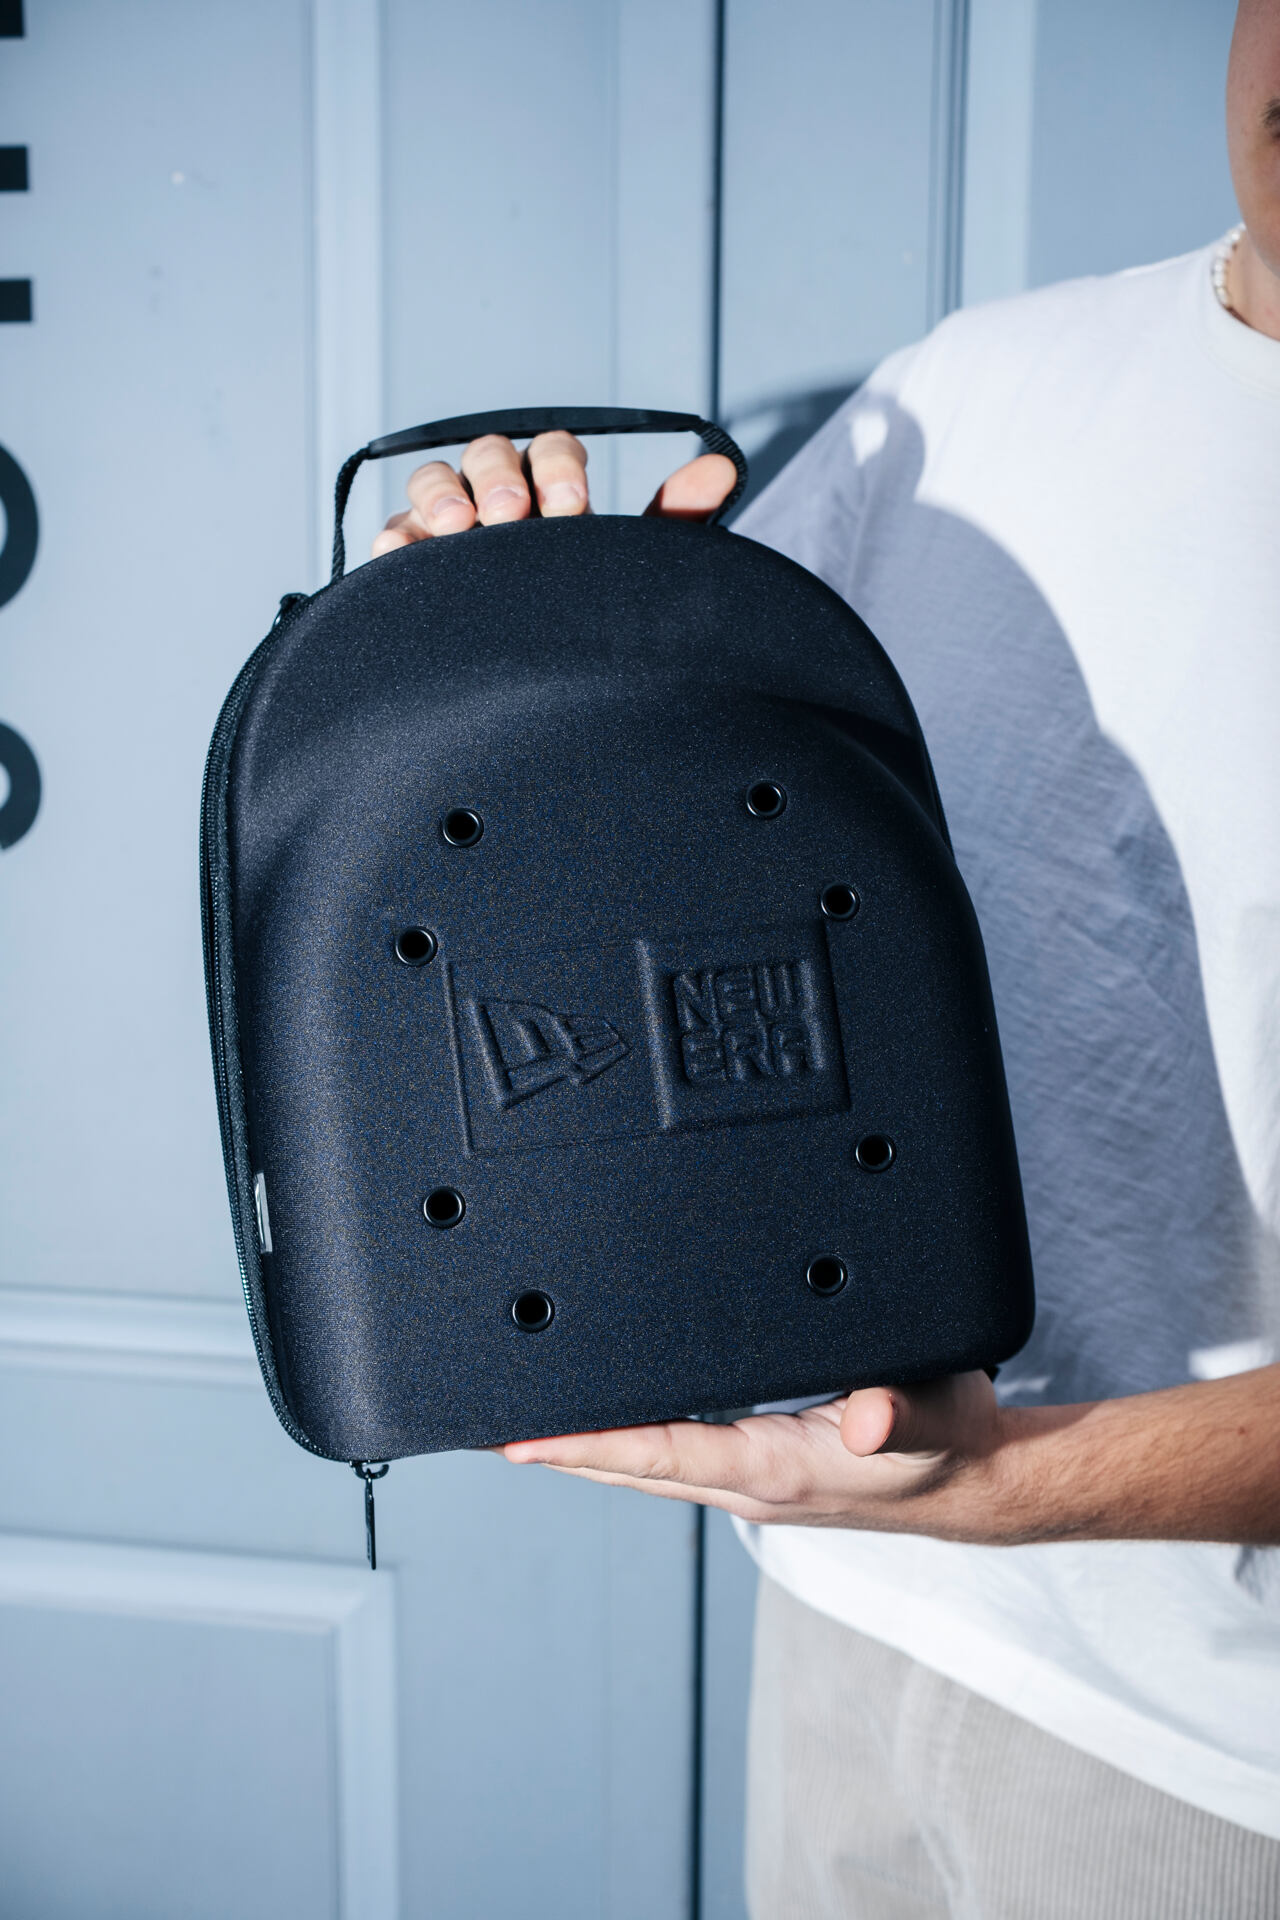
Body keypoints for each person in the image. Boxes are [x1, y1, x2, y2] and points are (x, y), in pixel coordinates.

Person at [374, 2, 1280, 1909]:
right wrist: (481, 636)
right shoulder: (976, 393)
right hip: (849, 1604)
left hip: (1213, 1750)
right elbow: (665, 826)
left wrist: (1005, 1481)